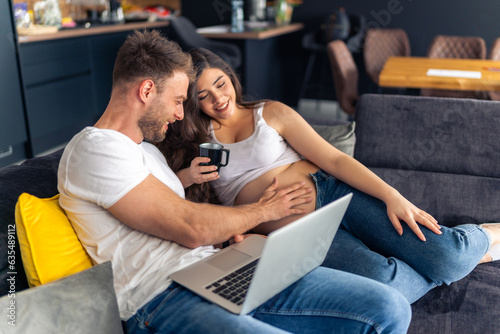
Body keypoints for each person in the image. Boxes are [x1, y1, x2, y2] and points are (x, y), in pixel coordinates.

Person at [57, 30, 413, 334]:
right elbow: (191, 226)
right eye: (180, 101)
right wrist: (264, 210)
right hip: (160, 296)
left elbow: (186, 222)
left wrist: (231, 237)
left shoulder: (148, 153)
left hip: (218, 267)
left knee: (389, 307)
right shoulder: (95, 149)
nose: (181, 114)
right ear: (147, 90)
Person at [160, 47, 500, 304]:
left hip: (335, 192)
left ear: (230, 78)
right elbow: (180, 206)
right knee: (383, 284)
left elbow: (335, 160)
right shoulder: (196, 143)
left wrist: (392, 196)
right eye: (203, 95)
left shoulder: (270, 113)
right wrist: (189, 178)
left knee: (449, 257)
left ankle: (480, 238)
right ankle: (460, 262)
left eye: (221, 84)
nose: (218, 98)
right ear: (192, 101)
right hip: (298, 234)